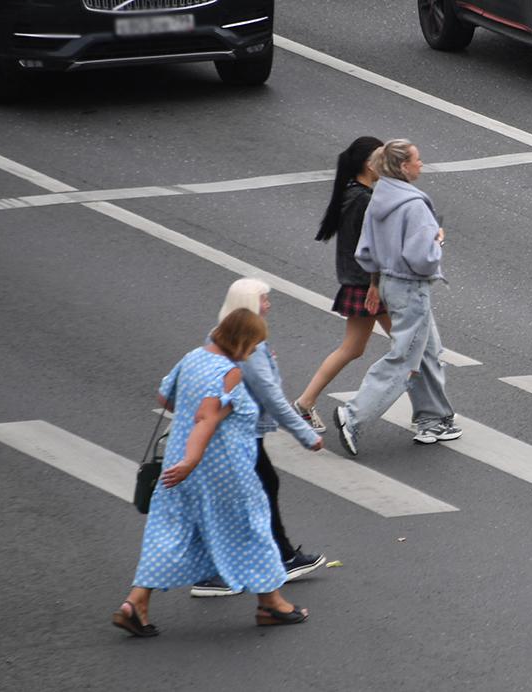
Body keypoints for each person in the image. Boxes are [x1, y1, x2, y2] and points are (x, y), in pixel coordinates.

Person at [112, 309, 308, 637]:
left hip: (177, 462)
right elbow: (207, 418)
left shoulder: (192, 357)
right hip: (220, 468)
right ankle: (271, 604)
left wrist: (186, 455)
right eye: (253, 344)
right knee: (251, 527)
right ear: (242, 342)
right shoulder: (229, 373)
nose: (253, 352)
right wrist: (193, 458)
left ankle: (136, 604)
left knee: (171, 532)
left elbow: (166, 397)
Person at [190, 279, 326, 598]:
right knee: (250, 494)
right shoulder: (247, 347)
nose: (268, 305)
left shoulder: (222, 334)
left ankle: (279, 556)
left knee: (260, 488)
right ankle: (227, 571)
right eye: (264, 300)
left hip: (233, 431)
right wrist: (305, 434)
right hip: (237, 433)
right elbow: (272, 398)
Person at [333, 140, 461, 456]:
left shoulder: (379, 196)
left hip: (389, 282)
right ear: (403, 167)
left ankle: (434, 420)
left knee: (428, 352)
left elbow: (366, 250)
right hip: (411, 288)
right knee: (405, 360)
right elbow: (423, 258)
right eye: (417, 159)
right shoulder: (414, 205)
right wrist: (438, 242)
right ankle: (353, 416)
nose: (421, 164)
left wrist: (377, 283)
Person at [295, 137, 390, 433]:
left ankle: (304, 403)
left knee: (355, 348)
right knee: (410, 349)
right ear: (368, 163)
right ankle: (429, 413)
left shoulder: (353, 194)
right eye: (382, 158)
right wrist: (376, 285)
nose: (386, 165)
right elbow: (371, 248)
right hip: (369, 286)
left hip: (360, 284)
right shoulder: (362, 199)